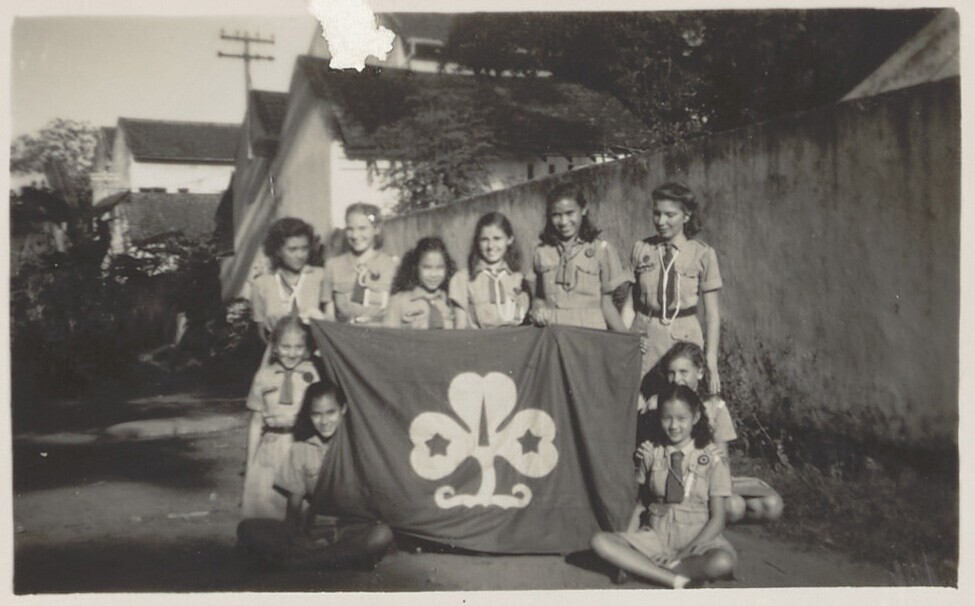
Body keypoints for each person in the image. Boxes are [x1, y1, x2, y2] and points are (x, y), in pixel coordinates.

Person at [237, 380, 394, 569]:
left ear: (343, 409)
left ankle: (306, 561)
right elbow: (293, 511)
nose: (324, 421)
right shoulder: (301, 449)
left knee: (383, 534)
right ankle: (329, 558)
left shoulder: (358, 446)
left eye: (330, 412)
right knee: (247, 528)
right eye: (316, 414)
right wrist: (294, 535)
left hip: (352, 530)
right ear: (309, 415)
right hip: (314, 530)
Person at [592, 385, 736, 588]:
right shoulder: (651, 454)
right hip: (656, 537)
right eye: (667, 418)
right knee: (600, 542)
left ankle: (642, 568)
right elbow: (641, 505)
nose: (674, 426)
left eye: (681, 418)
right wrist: (629, 540)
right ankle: (675, 579)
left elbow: (718, 519)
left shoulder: (712, 458)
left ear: (695, 418)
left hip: (697, 539)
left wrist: (682, 554)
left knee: (723, 562)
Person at [637, 342, 784, 524]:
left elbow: (723, 461)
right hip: (673, 479)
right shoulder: (658, 404)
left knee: (772, 505)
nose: (676, 379)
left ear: (700, 372)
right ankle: (693, 523)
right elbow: (650, 450)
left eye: (683, 372)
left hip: (708, 475)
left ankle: (707, 519)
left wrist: (716, 464)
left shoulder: (715, 407)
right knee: (734, 506)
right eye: (671, 373)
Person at [626, 182, 722, 392]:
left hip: (684, 339)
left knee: (679, 401)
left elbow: (712, 314)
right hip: (644, 338)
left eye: (670, 215)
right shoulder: (641, 249)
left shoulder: (702, 254)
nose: (661, 221)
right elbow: (630, 305)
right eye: (657, 213)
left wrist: (711, 360)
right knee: (641, 401)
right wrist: (624, 341)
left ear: (686, 216)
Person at [241, 316, 319, 519]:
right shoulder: (264, 377)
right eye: (285, 347)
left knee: (299, 509)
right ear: (274, 347)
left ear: (306, 348)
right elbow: (256, 423)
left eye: (298, 347)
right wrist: (250, 464)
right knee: (266, 506)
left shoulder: (312, 375)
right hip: (271, 449)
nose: (292, 353)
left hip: (300, 446)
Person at [530, 183, 627, 330]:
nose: (563, 222)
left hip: (590, 332)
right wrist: (538, 309)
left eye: (570, 213)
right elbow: (539, 297)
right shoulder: (541, 251)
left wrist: (626, 336)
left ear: (583, 209)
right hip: (553, 330)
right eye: (556, 215)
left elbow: (608, 304)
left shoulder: (601, 250)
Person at [448, 212, 530, 329]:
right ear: (477, 242)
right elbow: (459, 328)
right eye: (484, 239)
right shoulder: (463, 279)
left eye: (497, 238)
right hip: (478, 339)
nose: (490, 246)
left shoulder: (518, 279)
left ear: (509, 239)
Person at [250, 218, 326, 342]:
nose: (300, 255)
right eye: (292, 249)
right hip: (277, 350)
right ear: (278, 251)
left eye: (304, 248)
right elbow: (260, 334)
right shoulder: (261, 284)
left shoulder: (320, 276)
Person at [322, 203, 399, 325]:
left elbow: (397, 313)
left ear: (377, 229)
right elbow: (329, 316)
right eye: (350, 229)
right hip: (344, 332)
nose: (355, 235)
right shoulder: (333, 265)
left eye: (362, 228)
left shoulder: (392, 265)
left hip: (380, 332)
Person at [386, 237, 456, 329]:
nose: (433, 274)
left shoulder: (451, 300)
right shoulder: (398, 301)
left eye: (440, 267)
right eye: (427, 267)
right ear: (415, 267)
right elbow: (388, 334)